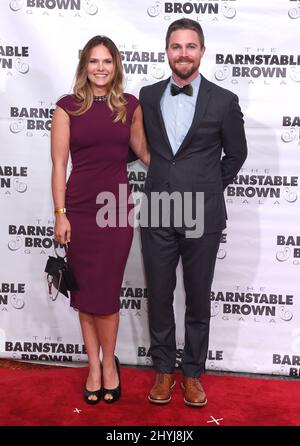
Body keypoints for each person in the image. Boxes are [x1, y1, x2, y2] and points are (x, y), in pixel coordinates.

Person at [139, 18, 247, 407]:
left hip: (202, 212)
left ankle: (193, 374)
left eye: (190, 46)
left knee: (198, 296)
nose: (183, 53)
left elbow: (237, 155)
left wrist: (206, 185)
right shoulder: (147, 96)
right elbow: (141, 146)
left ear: (202, 51)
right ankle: (164, 371)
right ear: (166, 51)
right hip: (157, 210)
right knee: (159, 294)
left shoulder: (223, 100)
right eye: (175, 46)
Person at [51, 35, 149, 405]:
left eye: (107, 61)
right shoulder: (66, 107)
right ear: (84, 66)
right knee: (85, 296)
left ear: (116, 65)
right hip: (78, 210)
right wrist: (60, 214)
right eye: (94, 61)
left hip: (115, 211)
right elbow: (59, 165)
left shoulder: (129, 106)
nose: (101, 68)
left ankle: (110, 363)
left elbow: (145, 153)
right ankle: (95, 365)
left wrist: (189, 170)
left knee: (105, 297)